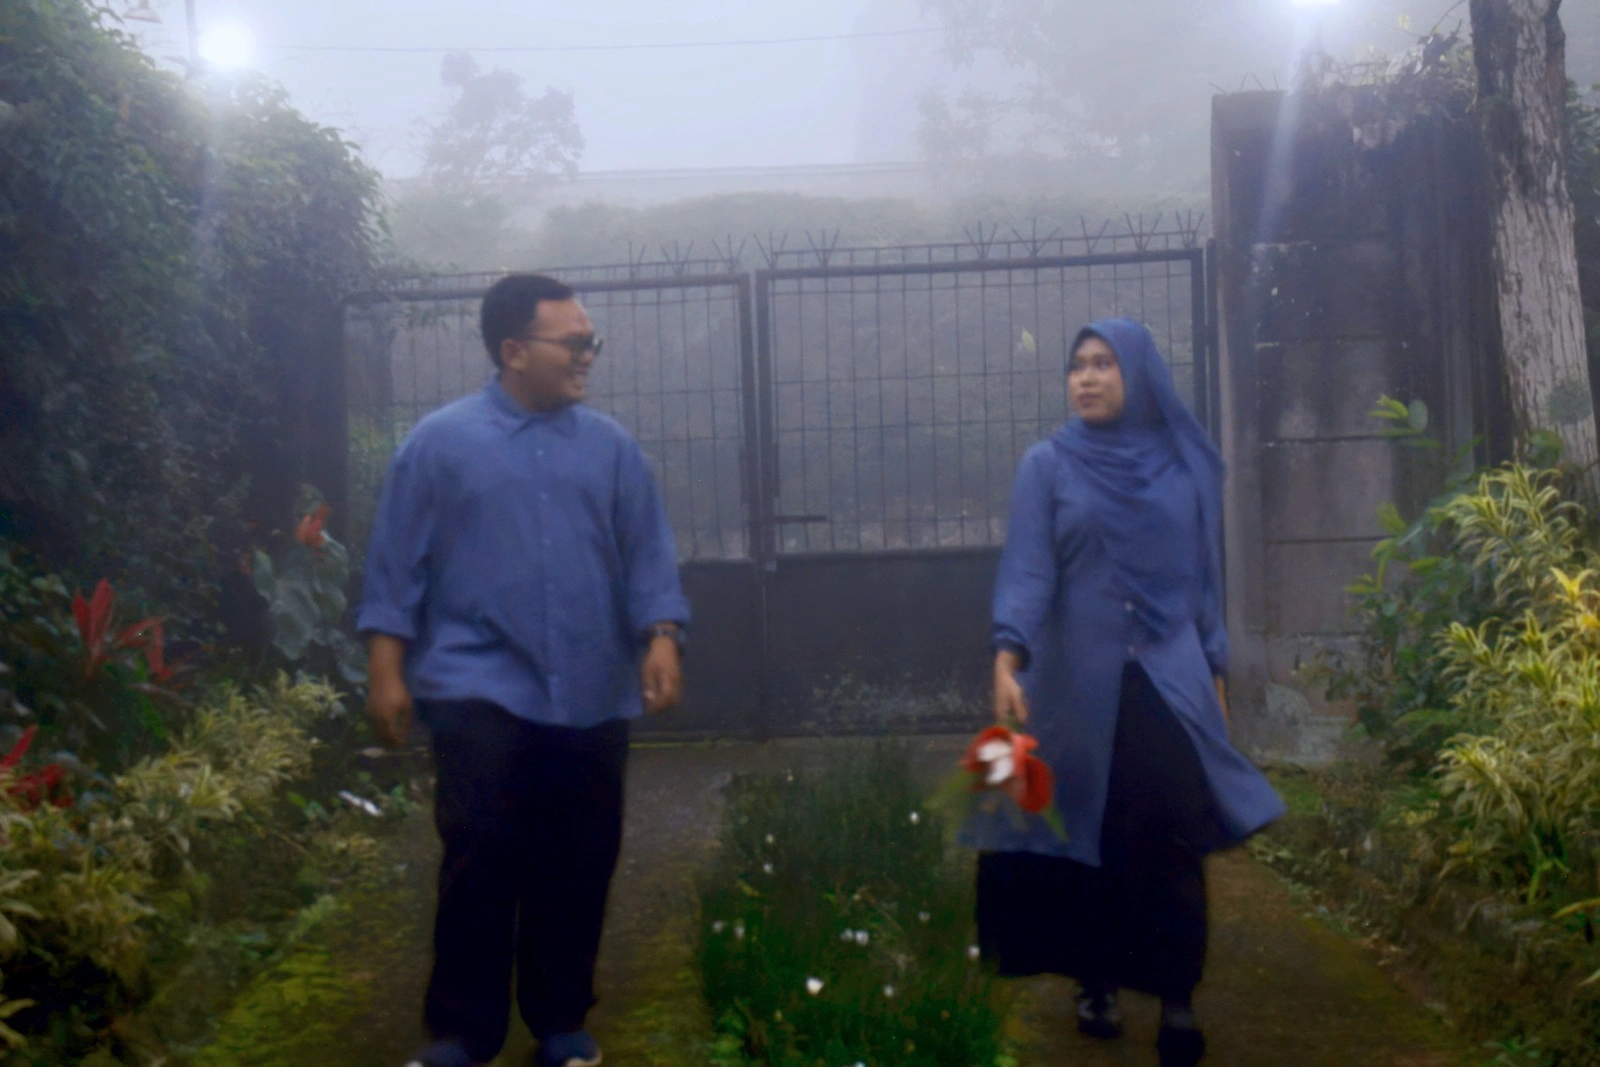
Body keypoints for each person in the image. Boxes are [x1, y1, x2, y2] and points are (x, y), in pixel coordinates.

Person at [358, 273, 690, 1067]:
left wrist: (661, 636)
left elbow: (648, 551)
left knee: (579, 857)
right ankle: (461, 1033)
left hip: (590, 688)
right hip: (477, 684)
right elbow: (395, 566)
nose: (587, 355)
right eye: (572, 342)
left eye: (590, 341)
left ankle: (560, 1023)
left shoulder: (612, 449)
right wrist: (385, 669)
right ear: (513, 350)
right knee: (478, 852)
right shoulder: (437, 446)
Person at [968, 318, 1284, 1067]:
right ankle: (1096, 979)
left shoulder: (1181, 466)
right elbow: (1029, 567)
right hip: (1073, 684)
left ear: (1137, 375)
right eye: (1077, 364)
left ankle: (1177, 996)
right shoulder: (1047, 465)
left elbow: (1202, 580)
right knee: (1087, 834)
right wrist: (1009, 654)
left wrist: (1214, 672)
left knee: (1171, 835)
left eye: (1104, 363)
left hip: (1168, 681)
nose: (1086, 377)